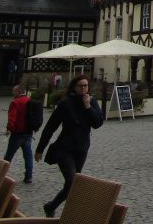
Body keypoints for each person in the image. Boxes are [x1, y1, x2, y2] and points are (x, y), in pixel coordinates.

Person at [35, 74, 103, 217]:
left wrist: (88, 107)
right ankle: (63, 210)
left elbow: (97, 123)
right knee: (72, 181)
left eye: (86, 85)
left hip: (81, 149)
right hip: (64, 149)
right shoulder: (66, 103)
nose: (83, 88)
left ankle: (51, 206)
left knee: (73, 184)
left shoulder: (92, 101)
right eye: (80, 86)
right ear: (74, 87)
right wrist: (40, 149)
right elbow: (50, 127)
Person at [3, 84, 34, 184]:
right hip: (28, 133)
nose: (12, 93)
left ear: (18, 91)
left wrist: (9, 129)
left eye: (14, 91)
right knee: (28, 155)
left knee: (9, 155)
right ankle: (29, 176)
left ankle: (1, 173)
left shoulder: (15, 102)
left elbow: (12, 118)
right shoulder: (30, 101)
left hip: (17, 133)